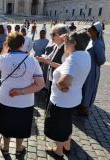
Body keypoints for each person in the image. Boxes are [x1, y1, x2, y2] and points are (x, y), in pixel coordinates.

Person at [0, 32, 45, 159]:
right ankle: (18, 149)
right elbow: (40, 85)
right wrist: (20, 91)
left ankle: (5, 148)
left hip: (5, 98)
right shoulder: (32, 60)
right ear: (23, 44)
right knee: (21, 125)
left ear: (8, 44)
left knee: (6, 124)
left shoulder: (3, 58)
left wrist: (4, 49)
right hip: (24, 100)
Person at [44, 31, 91, 159]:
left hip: (61, 101)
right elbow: (67, 63)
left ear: (74, 43)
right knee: (66, 124)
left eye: (68, 40)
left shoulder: (74, 59)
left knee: (59, 127)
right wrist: (66, 43)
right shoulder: (85, 54)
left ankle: (58, 151)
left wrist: (60, 85)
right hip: (74, 99)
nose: (66, 42)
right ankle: (67, 146)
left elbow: (64, 80)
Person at [36, 24, 70, 107]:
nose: (51, 36)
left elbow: (66, 67)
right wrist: (39, 58)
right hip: (52, 79)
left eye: (53, 34)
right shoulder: (56, 46)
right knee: (49, 101)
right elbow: (48, 58)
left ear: (62, 36)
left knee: (54, 104)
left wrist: (47, 61)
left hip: (60, 83)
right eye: (51, 34)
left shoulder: (66, 49)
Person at [79, 22, 106, 116]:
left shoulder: (98, 43)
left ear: (96, 32)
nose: (88, 31)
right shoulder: (91, 41)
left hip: (92, 70)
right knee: (84, 87)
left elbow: (101, 60)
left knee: (89, 89)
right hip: (86, 69)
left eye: (90, 30)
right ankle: (81, 105)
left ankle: (85, 109)